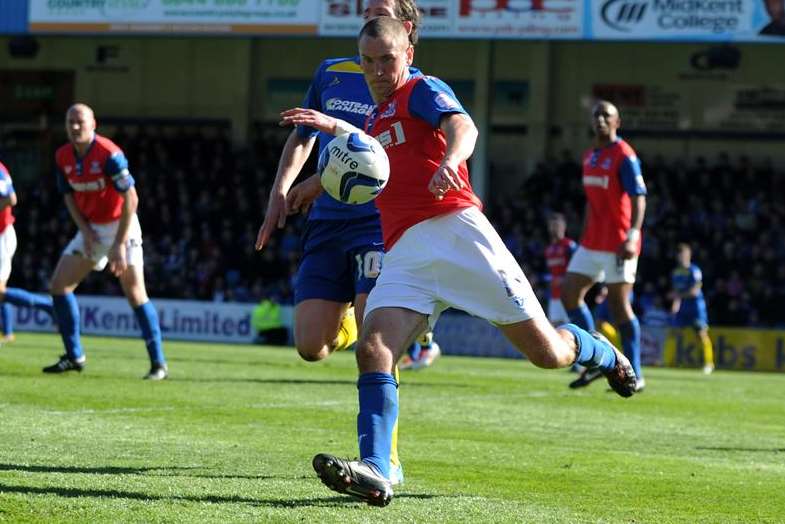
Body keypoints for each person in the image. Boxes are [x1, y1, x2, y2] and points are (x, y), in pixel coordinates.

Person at [281, 17, 637, 507]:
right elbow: (363, 159)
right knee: (374, 347)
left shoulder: (422, 90)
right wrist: (311, 185)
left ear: (408, 51)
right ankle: (379, 469)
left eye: (388, 58)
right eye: (369, 61)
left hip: (460, 237)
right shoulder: (374, 120)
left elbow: (461, 125)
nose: (379, 70)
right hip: (404, 253)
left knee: (548, 354)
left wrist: (453, 159)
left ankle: (596, 349)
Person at [253, 0, 432, 485]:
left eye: (381, 8)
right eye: (366, 7)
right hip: (328, 224)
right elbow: (304, 136)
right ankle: (351, 321)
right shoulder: (331, 72)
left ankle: (384, 461)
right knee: (312, 346)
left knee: (378, 345)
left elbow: (389, 152)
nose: (369, 12)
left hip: (379, 223)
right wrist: (282, 191)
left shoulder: (410, 87)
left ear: (404, 26)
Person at [43, 103, 167, 380]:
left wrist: (119, 244)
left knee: (135, 293)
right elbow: (67, 196)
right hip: (92, 229)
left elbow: (131, 199)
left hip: (122, 225)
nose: (75, 127)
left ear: (93, 124)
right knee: (59, 285)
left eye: (80, 121)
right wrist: (85, 231)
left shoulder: (110, 154)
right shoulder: (62, 155)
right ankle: (74, 356)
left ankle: (159, 364)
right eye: (70, 122)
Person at [561, 100, 647, 392]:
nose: (600, 120)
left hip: (618, 242)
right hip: (592, 241)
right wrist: (584, 234)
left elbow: (638, 198)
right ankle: (598, 355)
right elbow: (591, 201)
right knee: (569, 293)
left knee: (619, 306)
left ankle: (634, 370)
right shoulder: (590, 155)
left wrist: (633, 234)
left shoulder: (625, 156)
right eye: (596, 115)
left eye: (606, 115)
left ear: (617, 122)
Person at [0, 160, 55, 342]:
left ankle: (48, 305)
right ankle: (7, 333)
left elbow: (10, 198)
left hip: (2, 235)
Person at [670, 242, 714, 374]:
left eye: (683, 254)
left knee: (701, 334)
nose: (680, 257)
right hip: (683, 307)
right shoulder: (675, 272)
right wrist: (675, 304)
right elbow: (676, 291)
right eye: (678, 255)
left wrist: (679, 296)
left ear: (688, 255)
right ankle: (672, 361)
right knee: (674, 333)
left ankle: (709, 363)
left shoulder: (695, 271)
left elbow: (694, 291)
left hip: (695, 307)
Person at [543, 212, 576, 326]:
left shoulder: (569, 246)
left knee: (570, 328)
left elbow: (576, 270)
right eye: (552, 226)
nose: (554, 229)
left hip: (568, 295)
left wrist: (563, 279)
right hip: (554, 296)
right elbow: (548, 273)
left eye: (556, 225)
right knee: (554, 329)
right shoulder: (549, 250)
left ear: (563, 227)